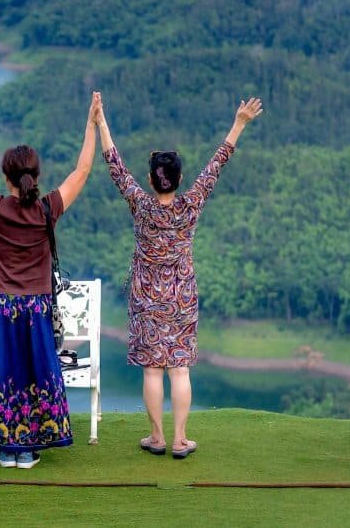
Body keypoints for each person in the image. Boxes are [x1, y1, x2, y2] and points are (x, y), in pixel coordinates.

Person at [94, 96, 263, 459]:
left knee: (153, 369)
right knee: (179, 368)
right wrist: (239, 123)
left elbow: (115, 166)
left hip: (145, 296)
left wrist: (101, 122)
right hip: (182, 296)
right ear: (180, 179)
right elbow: (217, 164)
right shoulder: (191, 203)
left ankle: (156, 437)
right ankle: (180, 439)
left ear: (152, 180)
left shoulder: (140, 202)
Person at [0, 89, 100, 469]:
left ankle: (6, 447)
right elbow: (81, 171)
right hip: (36, 307)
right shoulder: (48, 209)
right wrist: (92, 122)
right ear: (37, 174)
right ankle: (29, 448)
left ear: (5, 175)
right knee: (35, 371)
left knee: (3, 373)